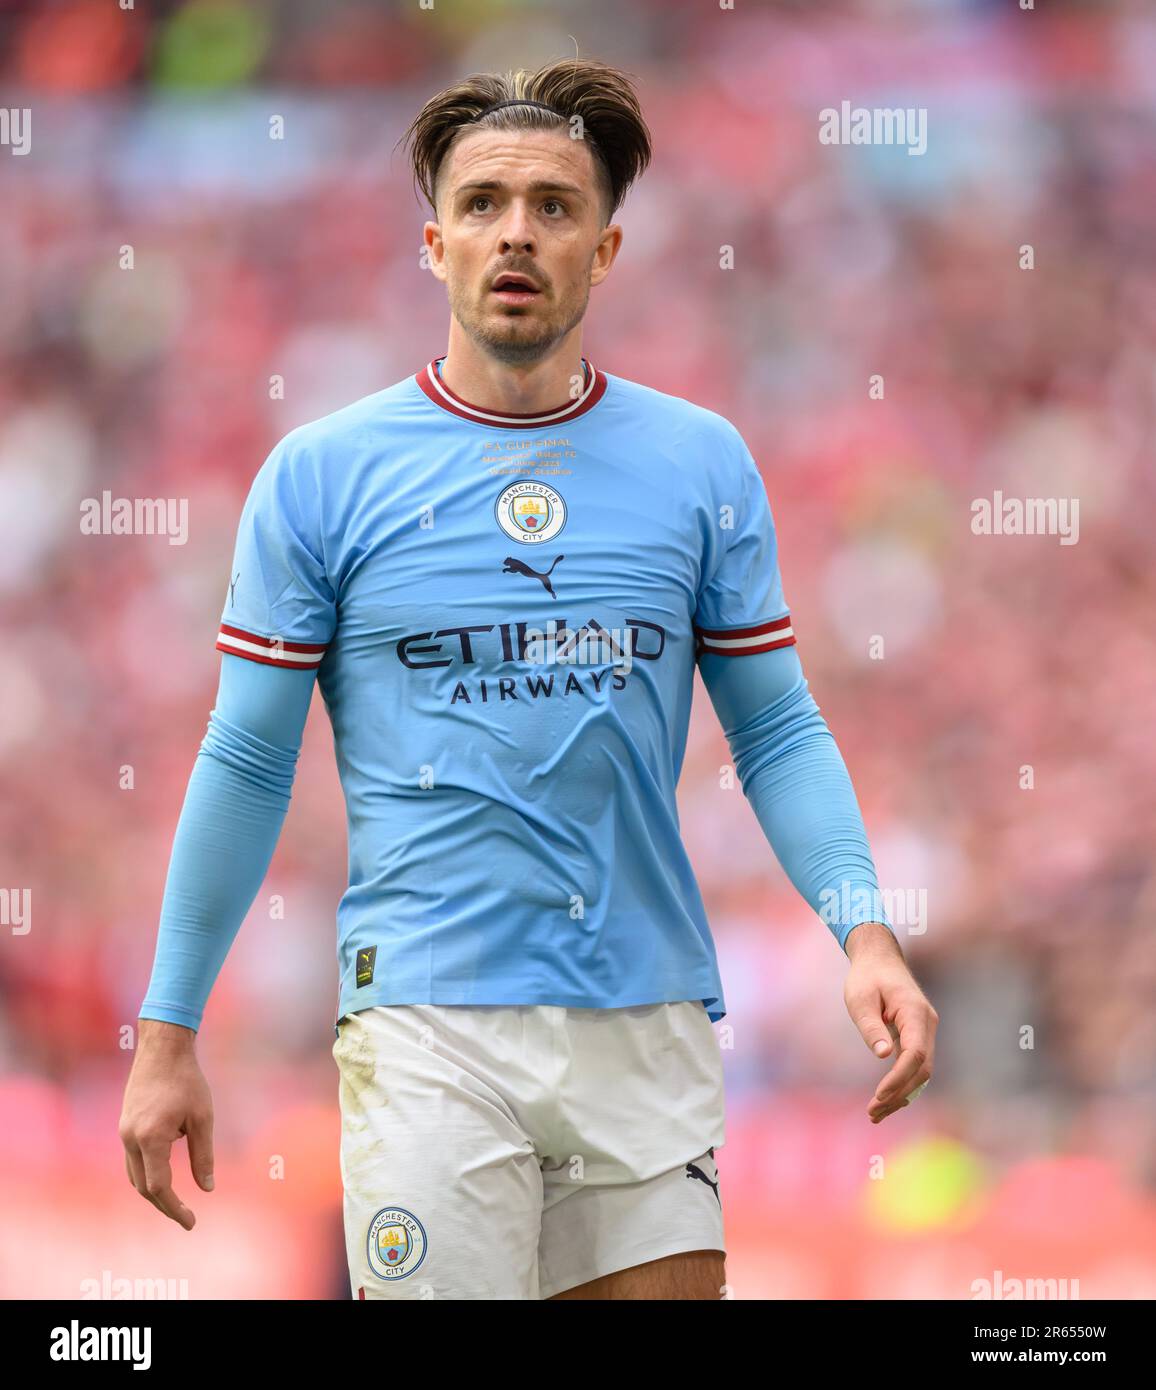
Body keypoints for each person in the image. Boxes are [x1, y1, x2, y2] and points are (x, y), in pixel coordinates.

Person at [120, 58, 937, 1301]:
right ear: (434, 241)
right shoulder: (320, 477)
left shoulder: (697, 461)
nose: (518, 230)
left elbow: (774, 728)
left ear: (604, 251)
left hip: (648, 1016)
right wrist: (168, 1032)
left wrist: (862, 926)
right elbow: (246, 758)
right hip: (429, 1023)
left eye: (554, 207)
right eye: (487, 201)